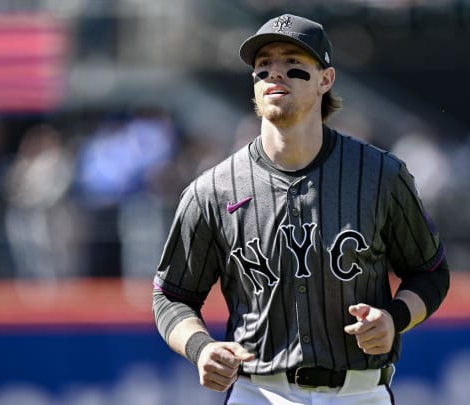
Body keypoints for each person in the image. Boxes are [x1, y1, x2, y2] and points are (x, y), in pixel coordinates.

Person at [152, 13, 450, 405]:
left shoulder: (380, 175)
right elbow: (171, 296)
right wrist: (200, 347)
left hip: (358, 393)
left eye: (293, 63)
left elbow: (429, 273)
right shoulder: (212, 190)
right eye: (263, 67)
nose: (275, 74)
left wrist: (394, 319)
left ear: (325, 79)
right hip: (257, 390)